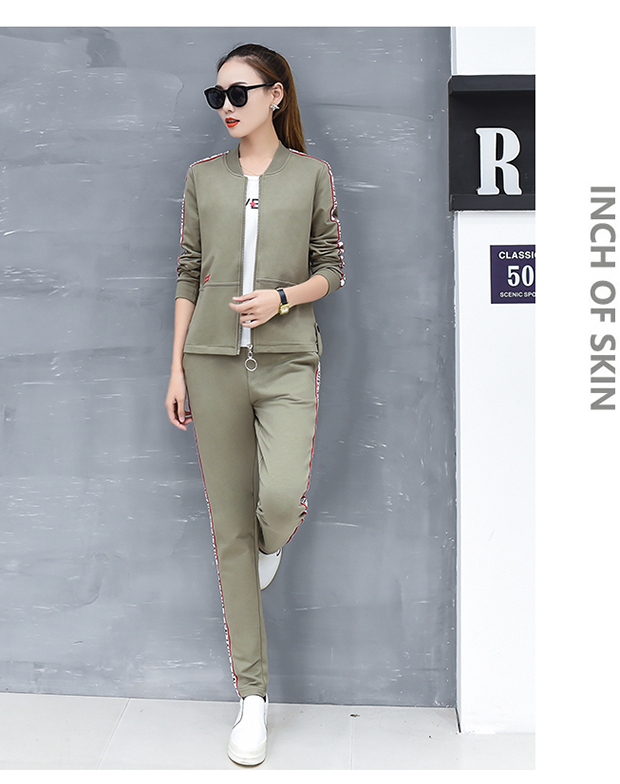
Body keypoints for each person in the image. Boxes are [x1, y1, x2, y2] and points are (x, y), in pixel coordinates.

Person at [164, 43, 344, 766]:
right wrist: (175, 370)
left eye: (239, 93)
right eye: (218, 96)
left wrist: (282, 298)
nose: (227, 107)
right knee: (227, 530)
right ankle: (252, 699)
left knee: (278, 496)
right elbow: (187, 271)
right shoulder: (203, 177)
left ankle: (272, 542)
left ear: (276, 95)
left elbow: (332, 267)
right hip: (210, 363)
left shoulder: (311, 175)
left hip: (288, 359)